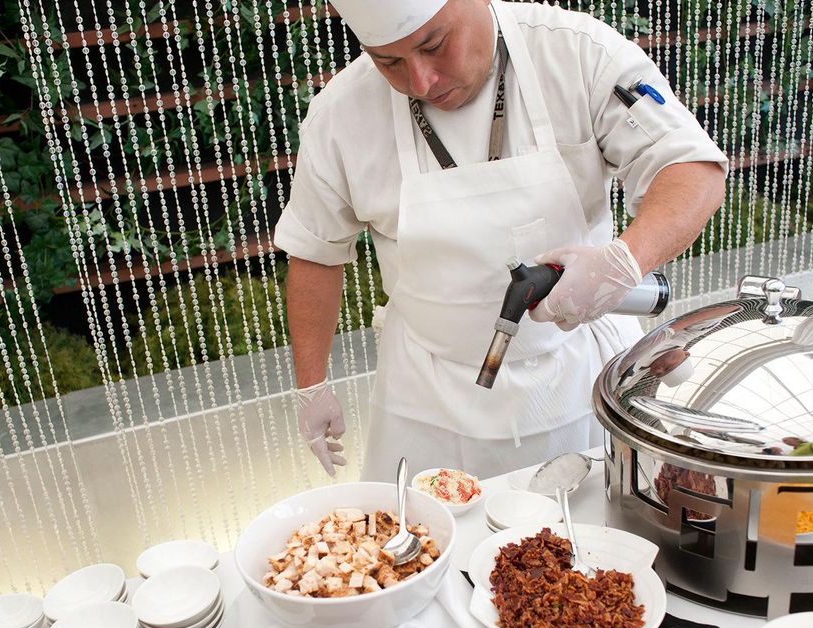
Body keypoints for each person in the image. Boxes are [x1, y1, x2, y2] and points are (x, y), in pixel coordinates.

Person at [280, 0, 728, 482]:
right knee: (423, 543)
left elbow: (692, 170)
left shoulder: (575, 53)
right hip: (425, 393)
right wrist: (312, 386)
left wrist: (623, 261)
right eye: (389, 62)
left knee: (590, 535)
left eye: (435, 45)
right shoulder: (340, 113)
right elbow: (314, 252)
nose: (423, 80)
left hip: (580, 374)